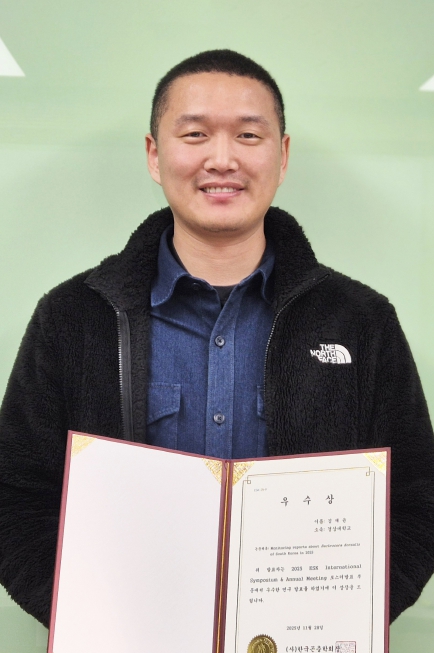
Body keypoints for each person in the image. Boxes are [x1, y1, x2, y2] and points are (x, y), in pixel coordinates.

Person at [0, 49, 433, 629]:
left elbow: (416, 502)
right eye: (195, 134)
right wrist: (92, 619)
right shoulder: (73, 317)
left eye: (249, 135)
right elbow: (16, 499)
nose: (222, 159)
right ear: (154, 154)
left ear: (283, 155)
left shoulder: (361, 320)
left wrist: (338, 620)